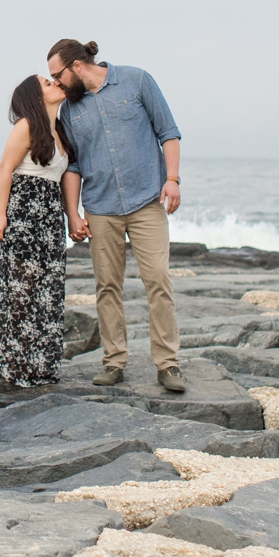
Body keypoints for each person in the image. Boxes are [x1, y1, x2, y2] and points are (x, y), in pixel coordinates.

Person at [49, 38, 185, 392]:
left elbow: (168, 132)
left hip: (147, 201)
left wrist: (172, 180)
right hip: (101, 209)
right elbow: (74, 165)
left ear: (76, 66)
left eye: (57, 75)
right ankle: (114, 361)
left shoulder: (136, 80)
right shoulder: (69, 112)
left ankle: (168, 364)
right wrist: (73, 213)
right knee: (107, 287)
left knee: (158, 280)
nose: (57, 84)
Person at [0, 73, 81, 387]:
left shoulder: (59, 131)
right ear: (34, 96)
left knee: (50, 288)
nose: (55, 83)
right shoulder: (26, 125)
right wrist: (0, 215)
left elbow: (67, 177)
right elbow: (5, 169)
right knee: (21, 291)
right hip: (23, 211)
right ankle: (16, 368)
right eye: (46, 82)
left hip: (50, 214)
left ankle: (43, 367)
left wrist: (72, 216)